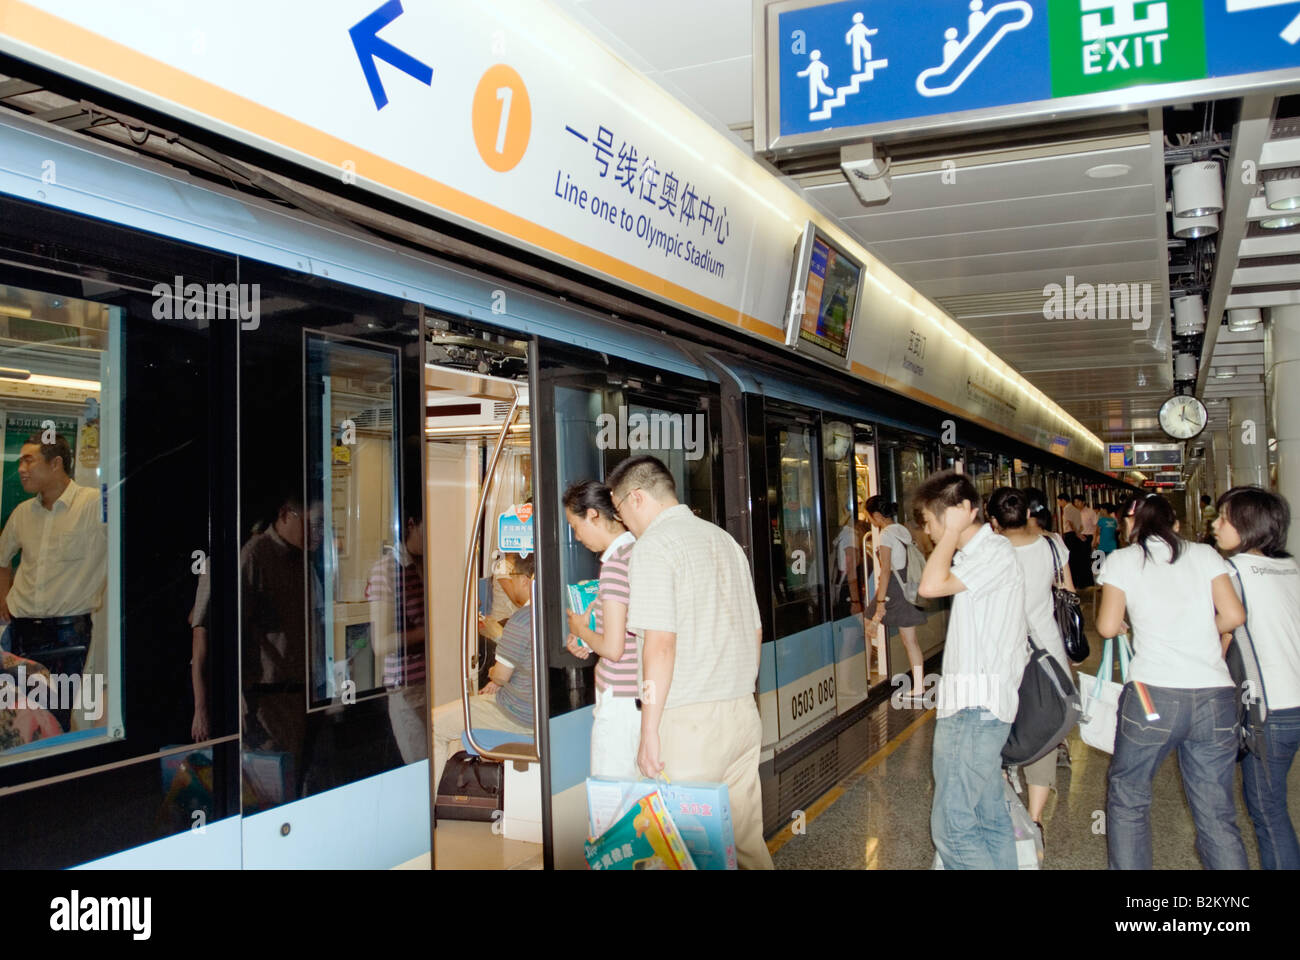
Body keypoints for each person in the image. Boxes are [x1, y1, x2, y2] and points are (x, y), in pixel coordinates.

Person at [610, 455, 773, 870]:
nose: (624, 523)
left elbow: (660, 644)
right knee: (746, 844)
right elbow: (755, 631)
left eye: (621, 511)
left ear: (638, 498)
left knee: (680, 854)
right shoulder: (724, 540)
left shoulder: (653, 548)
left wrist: (649, 730)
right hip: (741, 712)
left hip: (688, 724)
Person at [1096, 494, 1247, 870]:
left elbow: (1108, 627)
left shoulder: (1122, 560)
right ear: (1175, 525)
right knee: (1216, 811)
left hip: (1151, 695)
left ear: (1133, 526)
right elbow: (1233, 614)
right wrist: (1201, 636)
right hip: (1214, 696)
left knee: (1129, 798)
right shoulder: (1206, 554)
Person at [915, 470, 1027, 869]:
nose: (927, 531)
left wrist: (950, 532)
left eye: (929, 521)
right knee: (987, 815)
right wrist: (951, 534)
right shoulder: (978, 556)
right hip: (978, 707)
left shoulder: (993, 552)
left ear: (958, 513)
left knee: (951, 826)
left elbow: (927, 587)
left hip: (974, 709)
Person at [1213, 486, 1300, 869]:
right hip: (1294, 700)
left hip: (1270, 710)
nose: (1215, 525)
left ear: (1246, 525)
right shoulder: (1290, 567)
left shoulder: (1232, 571)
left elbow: (1223, 631)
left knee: (1269, 814)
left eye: (1223, 518)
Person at [0, 434, 105, 732]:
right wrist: (3, 599)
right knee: (18, 714)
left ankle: (55, 775)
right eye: (21, 460)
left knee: (57, 712)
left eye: (28, 460)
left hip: (68, 632)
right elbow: (2, 559)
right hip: (21, 630)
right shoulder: (22, 513)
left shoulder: (93, 505)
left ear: (56, 463)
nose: (21, 468)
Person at [987, 487, 1073, 846]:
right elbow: (1068, 590)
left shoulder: (990, 553)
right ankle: (1035, 820)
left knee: (1000, 727)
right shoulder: (1053, 545)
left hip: (1003, 654)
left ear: (993, 522)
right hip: (1047, 651)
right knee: (1043, 729)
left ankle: (1008, 805)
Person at [432, 550, 535, 788]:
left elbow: (500, 673)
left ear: (524, 580)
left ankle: (425, 808)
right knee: (455, 724)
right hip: (530, 711)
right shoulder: (553, 613)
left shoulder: (521, 621)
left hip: (514, 714)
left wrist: (493, 676)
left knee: (434, 725)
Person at [562, 480, 640, 780]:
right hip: (637, 695)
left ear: (593, 515)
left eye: (575, 525)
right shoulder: (635, 551)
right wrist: (588, 639)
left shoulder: (615, 565)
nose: (576, 536)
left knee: (612, 804)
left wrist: (581, 628)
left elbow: (613, 648)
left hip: (620, 701)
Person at [367, 515, 426, 764]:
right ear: (411, 525)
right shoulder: (387, 569)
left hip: (438, 682)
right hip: (409, 688)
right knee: (423, 767)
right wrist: (432, 630)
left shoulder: (431, 561)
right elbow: (380, 643)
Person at [863, 495, 926, 700]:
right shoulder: (902, 530)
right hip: (906, 585)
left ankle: (864, 675)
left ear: (878, 516)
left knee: (868, 620)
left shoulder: (886, 535)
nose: (869, 520)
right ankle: (918, 686)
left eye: (869, 516)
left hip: (895, 589)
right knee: (911, 640)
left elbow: (887, 569)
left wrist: (880, 602)